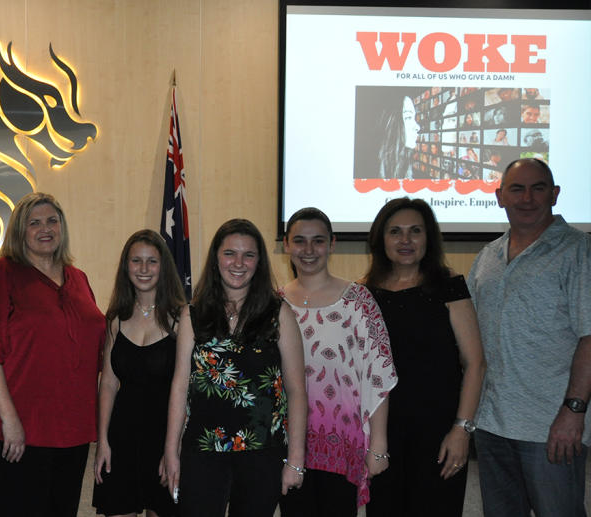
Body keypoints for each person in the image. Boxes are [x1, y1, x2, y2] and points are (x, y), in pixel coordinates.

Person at [0, 192, 105, 517]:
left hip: (71, 428)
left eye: (52, 221)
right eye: (34, 222)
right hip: (18, 430)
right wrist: (10, 420)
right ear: (19, 231)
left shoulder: (78, 278)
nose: (46, 228)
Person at [467, 158, 591, 517]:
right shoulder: (488, 256)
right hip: (490, 425)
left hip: (550, 427)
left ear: (554, 194)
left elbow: (589, 337)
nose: (527, 198)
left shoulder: (578, 251)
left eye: (538, 188)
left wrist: (574, 412)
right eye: (516, 189)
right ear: (499, 197)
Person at [163, 219, 308, 516]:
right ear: (216, 258)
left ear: (259, 262)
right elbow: (180, 387)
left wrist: (295, 458)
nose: (238, 263)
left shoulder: (279, 314)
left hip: (262, 452)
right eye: (230, 253)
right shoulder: (192, 315)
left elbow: (296, 391)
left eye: (249, 255)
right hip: (202, 450)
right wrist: (170, 451)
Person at [363, 198, 487, 517]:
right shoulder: (365, 294)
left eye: (415, 231)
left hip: (439, 434)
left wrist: (462, 430)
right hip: (382, 434)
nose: (405, 240)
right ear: (381, 239)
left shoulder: (449, 288)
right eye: (395, 232)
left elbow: (475, 364)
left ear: (428, 238)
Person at [277, 208, 396, 516]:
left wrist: (378, 445)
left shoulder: (358, 300)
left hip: (343, 441)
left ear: (332, 244)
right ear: (286, 245)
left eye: (318, 241)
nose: (308, 250)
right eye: (299, 241)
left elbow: (378, 374)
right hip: (288, 444)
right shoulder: (272, 303)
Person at [92, 230, 186, 517]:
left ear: (164, 267)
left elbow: (187, 389)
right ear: (126, 266)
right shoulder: (115, 319)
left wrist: (176, 448)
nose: (143, 269)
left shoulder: (183, 319)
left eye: (152, 261)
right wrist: (103, 441)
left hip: (165, 438)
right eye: (136, 261)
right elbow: (108, 383)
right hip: (121, 437)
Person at [377, 95, 421, 179]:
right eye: (408, 117)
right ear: (391, 123)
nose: (417, 127)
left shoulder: (405, 165)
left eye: (414, 118)